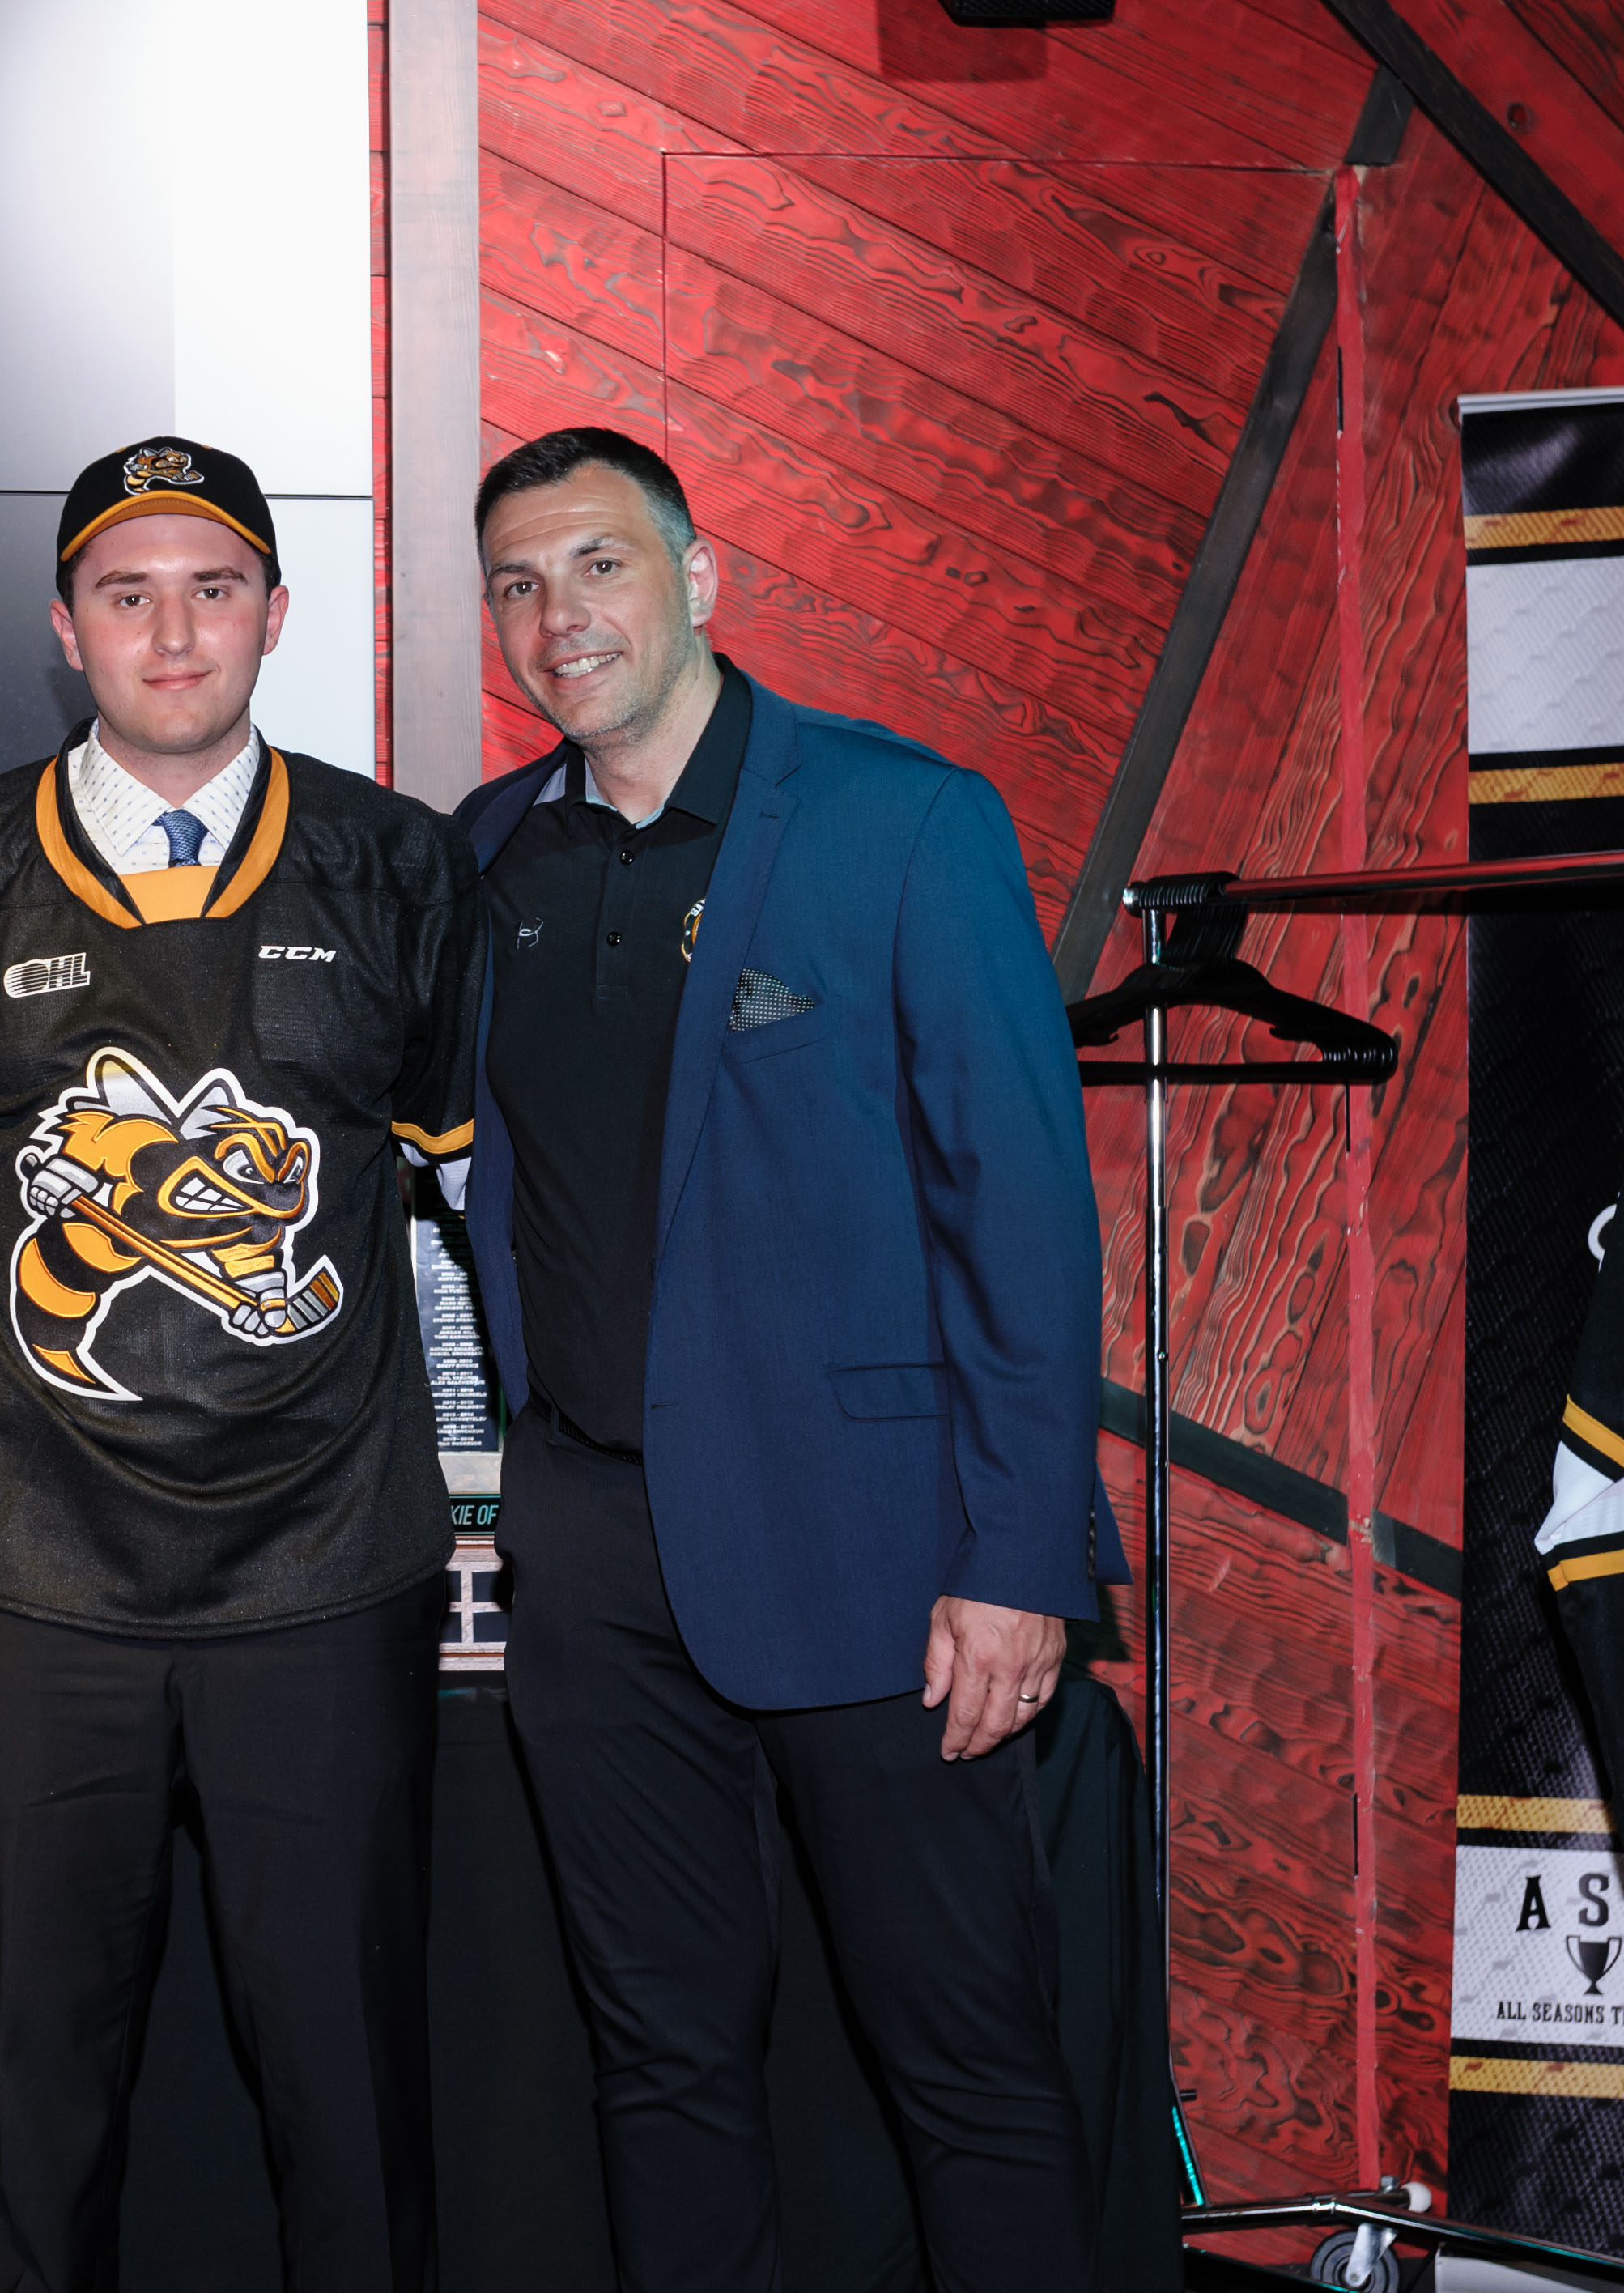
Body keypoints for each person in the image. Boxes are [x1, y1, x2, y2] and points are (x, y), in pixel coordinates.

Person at [455, 426, 1120, 2292]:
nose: (559, 616)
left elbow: (1021, 1215)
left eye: (599, 564)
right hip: (592, 1554)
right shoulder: (488, 854)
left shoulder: (902, 820)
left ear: (698, 577)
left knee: (967, 2071)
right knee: (662, 2072)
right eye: (517, 584)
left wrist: (1017, 1558)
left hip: (876, 1552)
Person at [0, 436, 480, 2292]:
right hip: (31, 1579)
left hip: (323, 1576)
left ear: (275, 615)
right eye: (126, 594)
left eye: (212, 589)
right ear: (66, 629)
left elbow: (481, 1209)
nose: (173, 631)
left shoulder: (396, 865)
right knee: (31, 2109)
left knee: (351, 2110)